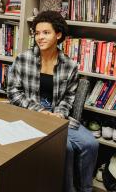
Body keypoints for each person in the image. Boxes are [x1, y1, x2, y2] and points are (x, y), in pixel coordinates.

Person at [7, 10, 98, 192]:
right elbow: (13, 92)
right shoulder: (23, 59)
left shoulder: (69, 65)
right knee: (66, 149)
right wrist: (39, 111)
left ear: (58, 34)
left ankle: (85, 189)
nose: (40, 37)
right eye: (37, 33)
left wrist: (59, 114)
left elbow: (69, 97)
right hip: (31, 114)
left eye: (46, 32)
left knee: (91, 143)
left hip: (57, 116)